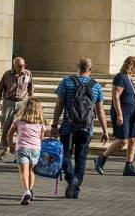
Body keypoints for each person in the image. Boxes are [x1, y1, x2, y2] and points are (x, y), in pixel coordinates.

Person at [50, 58, 108, 199]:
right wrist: (105, 130)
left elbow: (59, 104)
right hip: (87, 128)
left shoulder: (67, 81)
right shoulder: (96, 86)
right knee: (81, 158)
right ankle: (75, 190)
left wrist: (54, 125)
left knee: (65, 155)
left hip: (68, 127)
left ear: (78, 67)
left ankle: (71, 179)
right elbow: (100, 110)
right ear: (90, 69)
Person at [94, 56, 135, 177]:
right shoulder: (120, 77)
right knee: (123, 141)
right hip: (122, 112)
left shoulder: (129, 79)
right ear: (132, 66)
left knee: (134, 138)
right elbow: (115, 97)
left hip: (132, 113)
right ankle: (101, 158)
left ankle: (128, 166)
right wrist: (119, 114)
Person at [6, 97, 44, 205]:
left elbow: (9, 134)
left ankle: (26, 191)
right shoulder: (40, 122)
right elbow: (41, 138)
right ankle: (30, 191)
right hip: (35, 149)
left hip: (22, 148)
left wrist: (11, 146)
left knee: (23, 172)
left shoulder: (18, 120)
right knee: (31, 171)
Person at [0, 57, 34, 161]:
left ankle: (19, 151)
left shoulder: (28, 74)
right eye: (19, 66)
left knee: (22, 128)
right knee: (5, 127)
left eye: (23, 65)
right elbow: (0, 89)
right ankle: (5, 149)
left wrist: (31, 104)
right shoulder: (7, 74)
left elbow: (30, 90)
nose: (22, 67)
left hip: (22, 102)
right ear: (14, 65)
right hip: (8, 102)